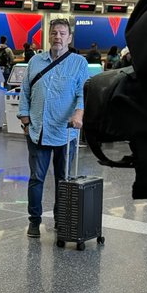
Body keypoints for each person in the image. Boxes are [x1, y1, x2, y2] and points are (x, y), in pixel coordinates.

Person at [17, 18, 88, 238]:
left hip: (66, 133)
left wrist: (78, 113)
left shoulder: (79, 63)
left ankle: (61, 219)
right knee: (36, 179)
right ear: (48, 36)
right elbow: (25, 92)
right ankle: (34, 221)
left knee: (63, 180)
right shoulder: (35, 61)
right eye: (54, 33)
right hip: (38, 130)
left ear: (69, 37)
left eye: (62, 33)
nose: (58, 37)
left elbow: (83, 93)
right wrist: (26, 122)